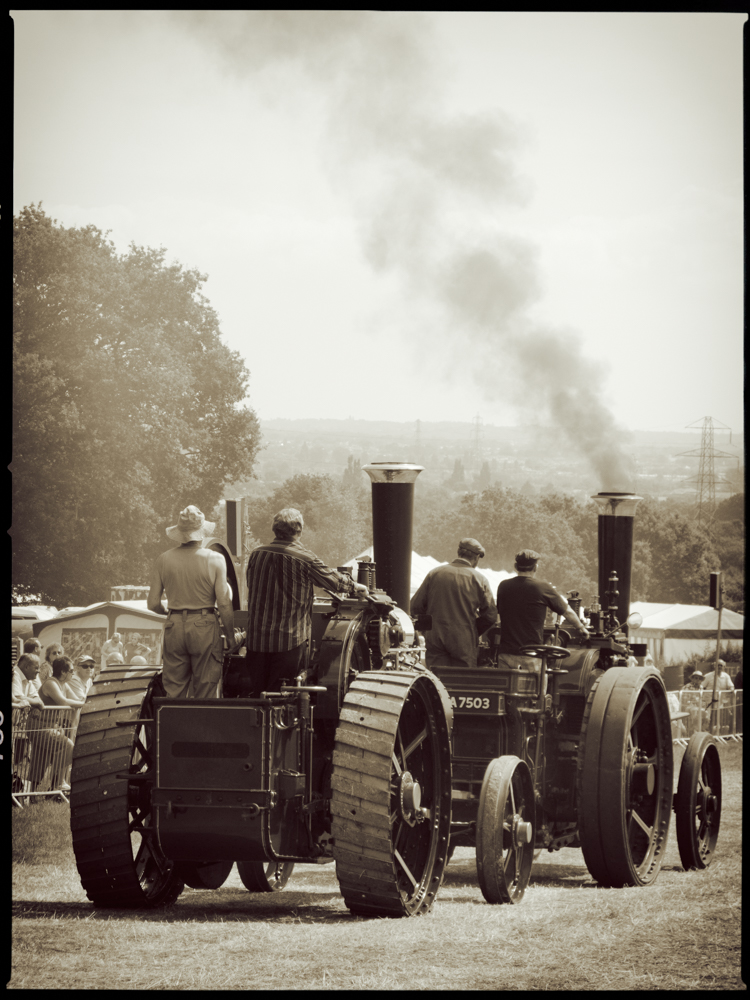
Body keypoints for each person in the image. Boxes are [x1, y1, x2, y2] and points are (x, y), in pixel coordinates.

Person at [237, 507, 369, 696]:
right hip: (288, 641)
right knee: (283, 696)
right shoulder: (305, 558)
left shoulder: (257, 554)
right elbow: (334, 581)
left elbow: (251, 584)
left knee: (260, 693)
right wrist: (356, 587)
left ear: (275, 529)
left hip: (256, 641)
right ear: (299, 530)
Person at [148, 503, 236, 699]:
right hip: (205, 626)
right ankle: (202, 728)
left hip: (174, 625)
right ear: (202, 532)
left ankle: (173, 728)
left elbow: (153, 603)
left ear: (179, 532)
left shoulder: (163, 559)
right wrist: (230, 637)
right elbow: (223, 602)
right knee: (206, 689)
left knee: (174, 690)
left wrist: (172, 614)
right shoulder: (215, 559)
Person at [495, 549, 589, 675]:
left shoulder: (503, 586)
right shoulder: (542, 587)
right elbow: (567, 611)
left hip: (505, 654)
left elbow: (499, 612)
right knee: (536, 693)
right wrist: (581, 628)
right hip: (531, 654)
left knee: (505, 691)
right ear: (535, 567)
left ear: (516, 566)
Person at [410, 538, 498, 670]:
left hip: (435, 638)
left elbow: (415, 606)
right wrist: (473, 630)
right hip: (464, 641)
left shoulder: (435, 573)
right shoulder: (480, 579)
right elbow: (490, 615)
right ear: (476, 558)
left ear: (458, 552)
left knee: (437, 680)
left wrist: (428, 630)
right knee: (462, 681)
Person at [34, 656, 86, 792]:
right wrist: (82, 703)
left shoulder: (64, 684)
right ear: (63, 672)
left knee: (40, 758)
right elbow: (64, 701)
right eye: (71, 670)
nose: (73, 673)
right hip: (38, 726)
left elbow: (76, 699)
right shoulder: (51, 683)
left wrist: (84, 702)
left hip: (50, 727)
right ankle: (57, 783)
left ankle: (36, 790)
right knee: (68, 745)